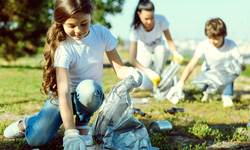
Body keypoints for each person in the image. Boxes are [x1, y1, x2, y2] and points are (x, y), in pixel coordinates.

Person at [4, 0, 142, 149]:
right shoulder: (63, 47)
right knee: (35, 140)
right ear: (61, 22)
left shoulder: (102, 34)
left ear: (90, 16)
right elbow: (63, 93)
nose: (79, 31)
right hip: (62, 98)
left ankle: (82, 124)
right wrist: (70, 133)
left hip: (89, 96)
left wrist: (130, 72)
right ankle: (28, 122)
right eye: (71, 26)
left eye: (84, 23)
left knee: (88, 89)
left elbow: (119, 68)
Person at [166, 18, 246, 107]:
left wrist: (239, 65)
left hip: (225, 73)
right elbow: (191, 66)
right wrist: (180, 83)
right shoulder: (204, 45)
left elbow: (243, 66)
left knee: (230, 69)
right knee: (200, 84)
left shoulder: (231, 45)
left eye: (215, 39)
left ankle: (227, 97)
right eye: (209, 38)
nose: (212, 41)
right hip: (209, 72)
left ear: (223, 35)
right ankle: (208, 92)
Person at [129, 0, 184, 91]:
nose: (149, 21)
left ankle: (159, 79)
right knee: (145, 86)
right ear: (139, 14)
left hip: (159, 51)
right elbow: (132, 59)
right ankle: (156, 80)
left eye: (152, 17)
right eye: (146, 19)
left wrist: (175, 53)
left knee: (161, 49)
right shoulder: (136, 29)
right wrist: (148, 71)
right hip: (144, 53)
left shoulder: (161, 20)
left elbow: (169, 41)